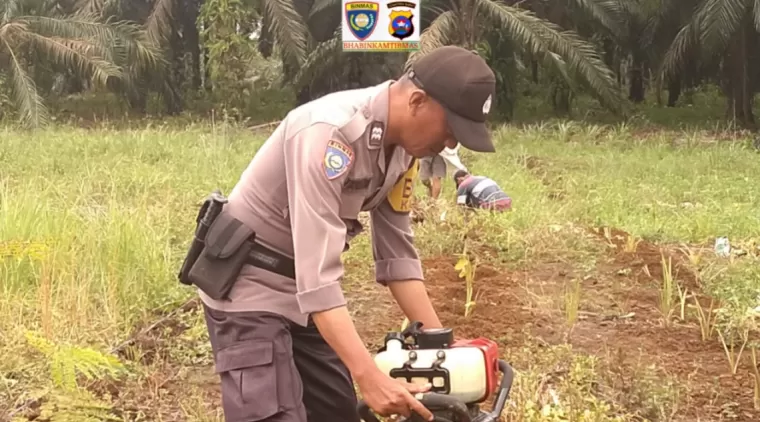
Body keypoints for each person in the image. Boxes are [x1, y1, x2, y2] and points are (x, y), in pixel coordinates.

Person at [192, 45, 497, 422]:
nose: (450, 145)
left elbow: (397, 258)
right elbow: (317, 275)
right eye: (450, 130)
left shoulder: (404, 152)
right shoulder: (328, 134)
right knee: (274, 414)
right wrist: (367, 375)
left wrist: (441, 347)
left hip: (302, 297)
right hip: (249, 289)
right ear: (417, 101)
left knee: (336, 413)